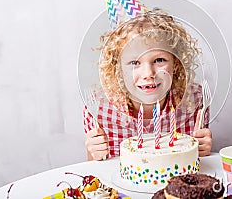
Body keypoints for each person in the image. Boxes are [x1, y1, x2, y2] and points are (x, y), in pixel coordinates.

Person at [84, 10, 212, 161]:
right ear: (118, 68)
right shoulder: (99, 109)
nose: (148, 73)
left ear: (176, 63)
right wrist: (94, 152)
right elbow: (94, 166)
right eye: (134, 63)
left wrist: (203, 148)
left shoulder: (195, 100)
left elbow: (198, 162)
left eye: (159, 60)